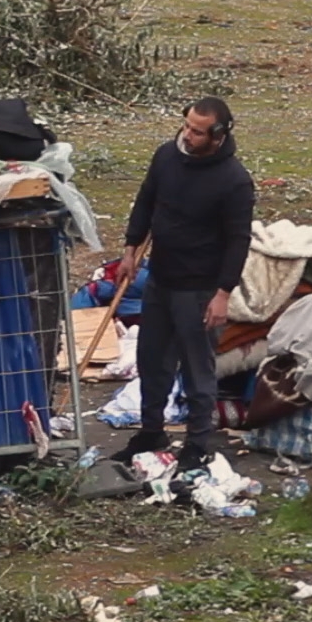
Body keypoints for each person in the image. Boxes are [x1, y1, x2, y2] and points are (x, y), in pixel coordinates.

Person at [113, 97, 255, 471]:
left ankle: (197, 442)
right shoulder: (166, 156)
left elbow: (238, 240)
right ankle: (150, 431)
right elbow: (146, 200)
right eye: (187, 126)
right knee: (152, 358)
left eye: (197, 131)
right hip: (160, 278)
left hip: (200, 289)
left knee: (197, 368)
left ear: (219, 135)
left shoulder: (234, 181)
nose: (188, 135)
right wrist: (130, 249)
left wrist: (223, 293)